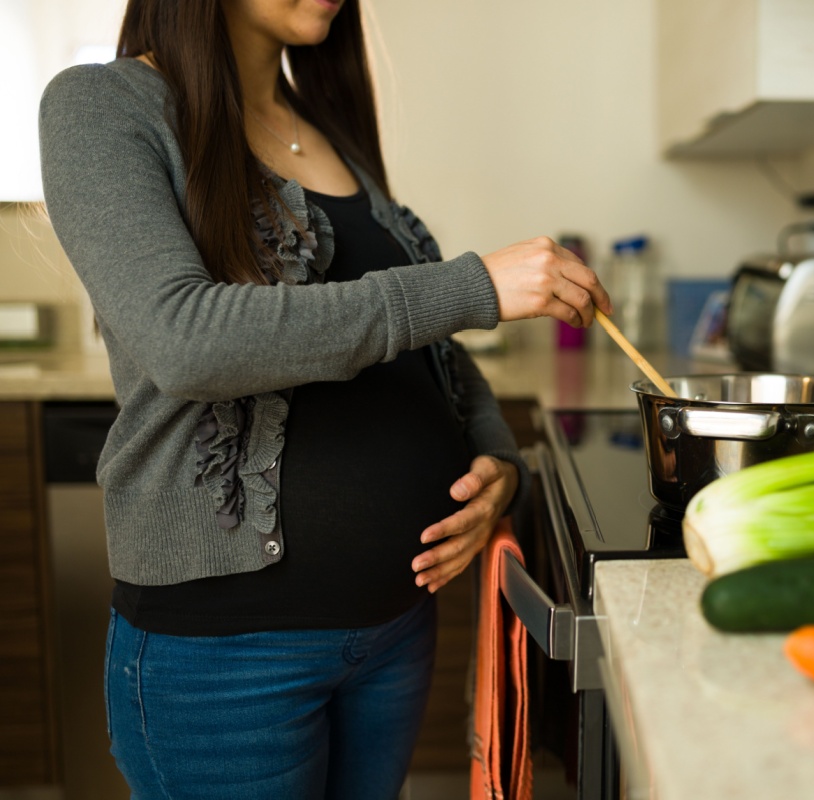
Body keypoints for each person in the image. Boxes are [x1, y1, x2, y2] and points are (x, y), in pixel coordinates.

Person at [37, 0, 611, 797]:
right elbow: (185, 338)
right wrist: (471, 285)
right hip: (226, 658)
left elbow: (429, 350)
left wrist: (497, 460)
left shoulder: (326, 127)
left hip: (393, 632)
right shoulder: (103, 104)